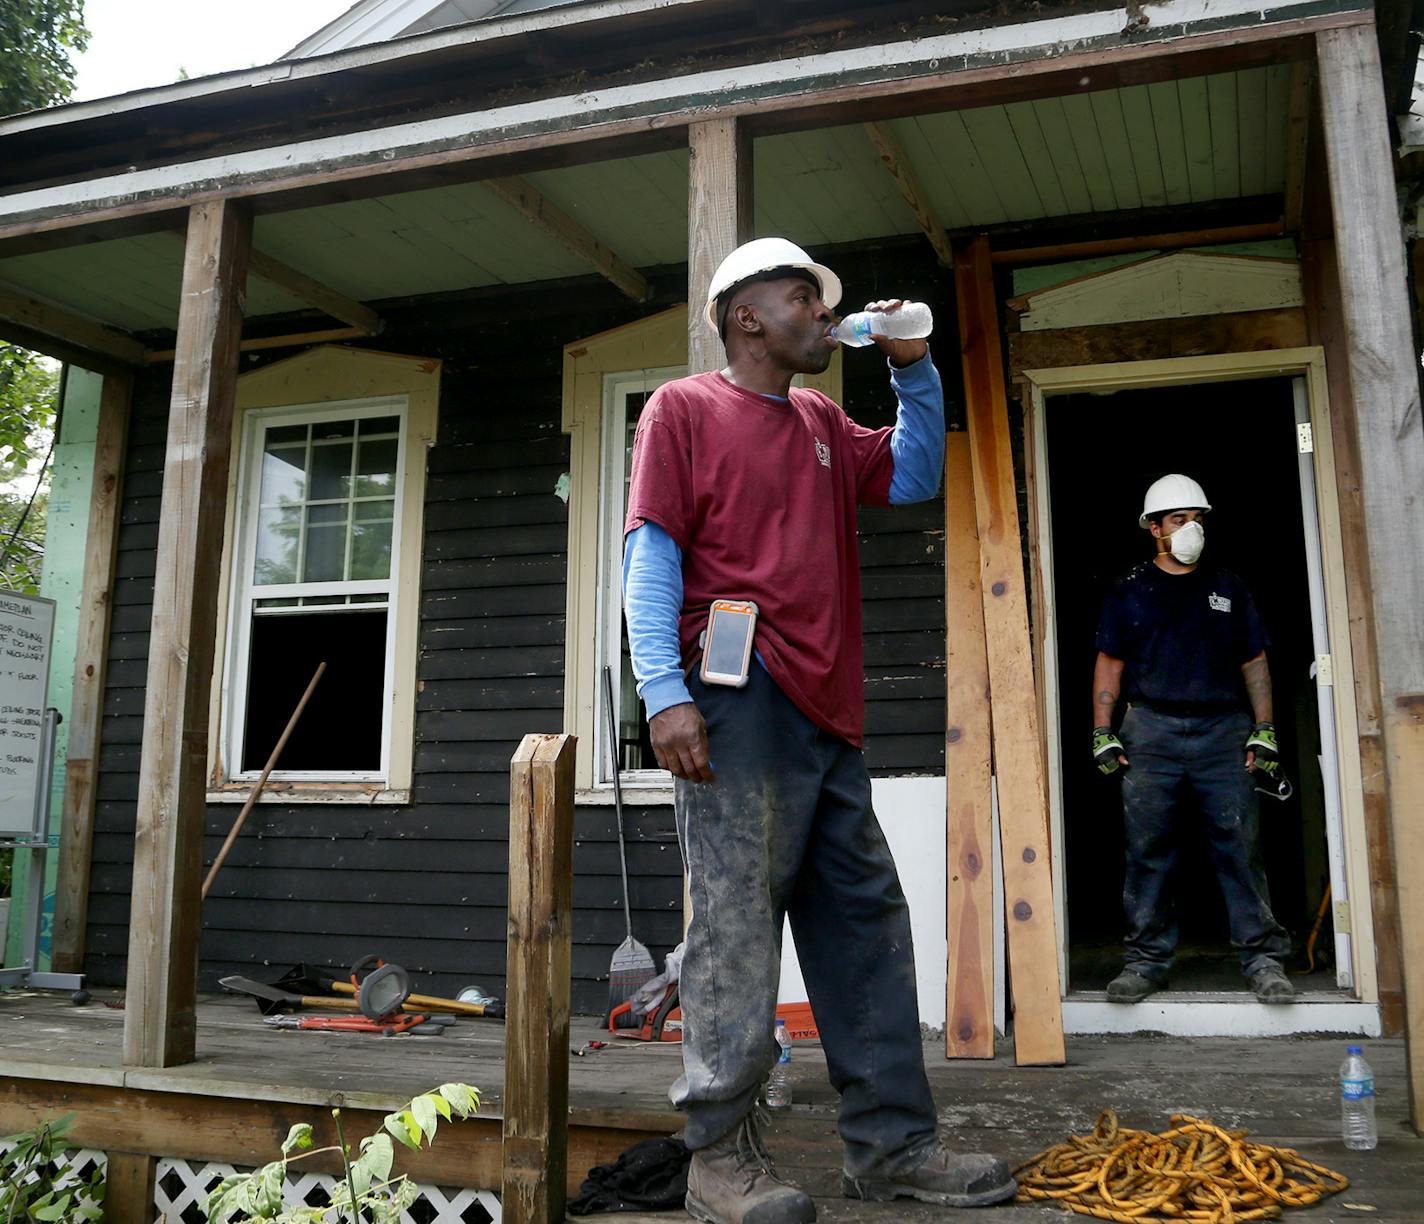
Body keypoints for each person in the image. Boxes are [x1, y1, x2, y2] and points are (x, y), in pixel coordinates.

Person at [620, 237, 1016, 1224]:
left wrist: (912, 366)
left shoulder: (824, 423)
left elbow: (917, 475)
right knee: (734, 935)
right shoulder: (683, 409)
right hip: (733, 703)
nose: (819, 312)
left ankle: (890, 1149)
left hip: (827, 713)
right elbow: (651, 555)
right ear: (744, 316)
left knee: (862, 926)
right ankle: (717, 1158)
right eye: (801, 297)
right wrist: (663, 693)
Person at [1090, 474, 1294, 1005]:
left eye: (1197, 519)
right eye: (1179, 519)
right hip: (1150, 730)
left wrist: (1264, 730)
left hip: (1223, 730)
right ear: (1153, 528)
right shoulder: (1128, 591)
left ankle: (1263, 958)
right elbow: (1109, 665)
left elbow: (1255, 662)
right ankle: (1145, 961)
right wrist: (1102, 735)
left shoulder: (1228, 588)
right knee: (1148, 848)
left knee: (1239, 843)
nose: (1191, 529)